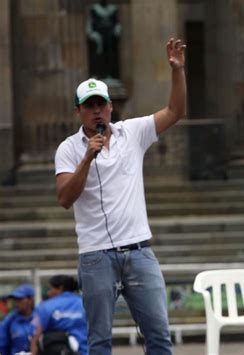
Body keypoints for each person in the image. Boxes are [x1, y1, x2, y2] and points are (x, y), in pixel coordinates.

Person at [54, 38, 186, 354]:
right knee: (99, 342)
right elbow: (65, 197)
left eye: (101, 103)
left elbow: (175, 111)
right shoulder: (69, 149)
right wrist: (87, 157)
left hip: (139, 250)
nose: (96, 110)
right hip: (96, 255)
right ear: (79, 112)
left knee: (159, 336)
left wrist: (178, 71)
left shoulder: (132, 132)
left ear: (111, 106)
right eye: (89, 105)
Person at [30, 275, 87, 355]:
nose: (48, 293)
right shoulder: (86, 304)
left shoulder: (45, 307)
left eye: (50, 289)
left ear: (60, 288)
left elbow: (35, 335)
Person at [0, 284, 36, 355]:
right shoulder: (9, 321)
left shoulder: (42, 317)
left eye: (20, 299)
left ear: (30, 299)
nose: (17, 303)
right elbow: (2, 346)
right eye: (15, 300)